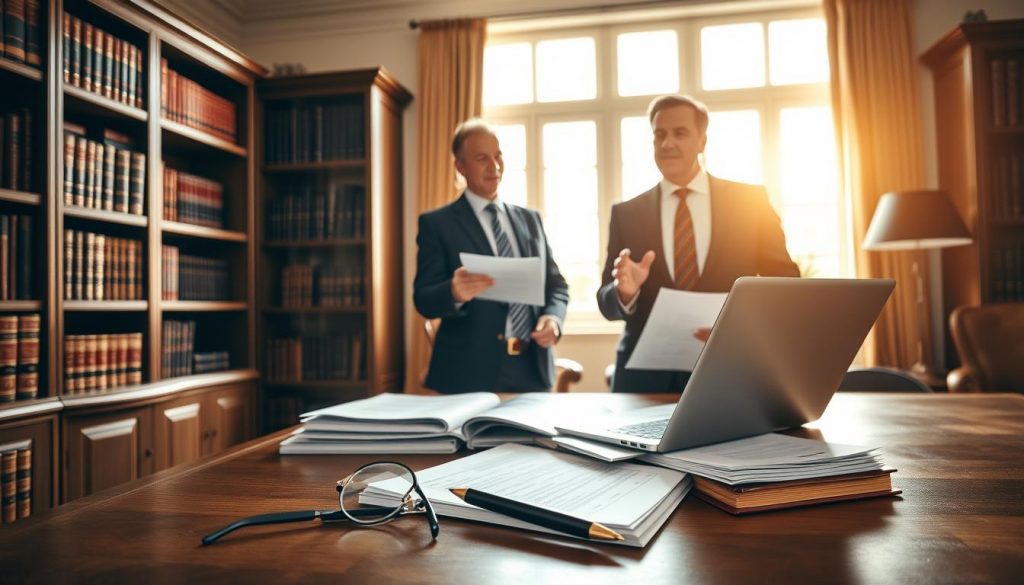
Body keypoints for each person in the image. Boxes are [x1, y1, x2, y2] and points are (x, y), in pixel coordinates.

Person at [597, 95, 800, 393]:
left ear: (702, 141)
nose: (667, 144)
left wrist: (742, 326)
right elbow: (606, 302)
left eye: (679, 133)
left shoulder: (750, 202)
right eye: (659, 135)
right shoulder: (626, 213)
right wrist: (625, 293)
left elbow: (785, 284)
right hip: (644, 381)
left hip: (730, 368)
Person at [414, 119, 569, 393]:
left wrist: (553, 320)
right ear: (460, 166)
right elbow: (423, 298)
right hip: (466, 373)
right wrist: (453, 292)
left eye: (498, 155)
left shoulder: (530, 220)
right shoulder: (437, 224)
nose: (494, 165)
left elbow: (556, 286)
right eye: (482, 158)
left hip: (532, 370)